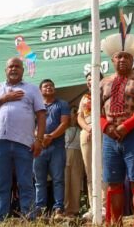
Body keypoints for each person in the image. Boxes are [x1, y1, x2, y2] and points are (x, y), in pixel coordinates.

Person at [98, 31, 134, 226]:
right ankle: (116, 223)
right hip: (109, 137)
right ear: (112, 59)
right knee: (113, 182)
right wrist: (107, 128)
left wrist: (125, 126)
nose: (122, 59)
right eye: (119, 56)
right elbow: (95, 111)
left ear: (133, 59)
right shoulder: (103, 82)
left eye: (127, 57)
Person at [0, 57, 46, 220]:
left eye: (17, 66)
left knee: (25, 183)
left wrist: (38, 140)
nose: (14, 69)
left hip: (24, 143)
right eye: (11, 66)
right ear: (5, 70)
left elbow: (41, 115)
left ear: (23, 70)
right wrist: (4, 98)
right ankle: (1, 220)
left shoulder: (32, 89)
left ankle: (29, 218)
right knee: (1, 183)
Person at [33, 79, 71, 218]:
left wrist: (51, 137)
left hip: (57, 147)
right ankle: (40, 210)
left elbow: (65, 123)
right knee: (39, 181)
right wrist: (40, 138)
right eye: (45, 86)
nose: (49, 87)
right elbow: (31, 125)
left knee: (58, 179)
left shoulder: (62, 104)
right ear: (40, 90)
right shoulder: (36, 106)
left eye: (51, 86)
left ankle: (58, 210)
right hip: (39, 147)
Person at [77, 71, 102, 219]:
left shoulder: (105, 92)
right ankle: (93, 207)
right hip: (87, 132)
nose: (90, 81)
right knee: (90, 171)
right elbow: (79, 117)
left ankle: (103, 206)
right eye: (88, 79)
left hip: (103, 131)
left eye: (93, 78)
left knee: (102, 169)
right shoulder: (84, 97)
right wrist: (87, 128)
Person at [63, 106, 84, 217]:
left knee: (76, 182)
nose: (75, 115)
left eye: (77, 112)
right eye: (73, 112)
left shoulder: (81, 129)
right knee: (65, 182)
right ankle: (65, 209)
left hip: (77, 154)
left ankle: (75, 209)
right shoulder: (63, 128)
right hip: (65, 153)